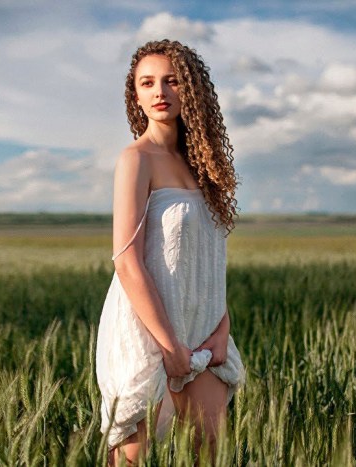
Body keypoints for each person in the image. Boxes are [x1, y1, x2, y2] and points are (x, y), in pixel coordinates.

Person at [95, 39, 246, 464]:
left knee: (211, 456)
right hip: (148, 331)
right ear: (136, 95)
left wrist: (221, 328)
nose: (159, 91)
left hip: (203, 329)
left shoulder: (206, 166)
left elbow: (209, 260)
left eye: (171, 80)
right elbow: (126, 259)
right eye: (147, 82)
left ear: (191, 90)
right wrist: (169, 346)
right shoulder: (136, 158)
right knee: (132, 460)